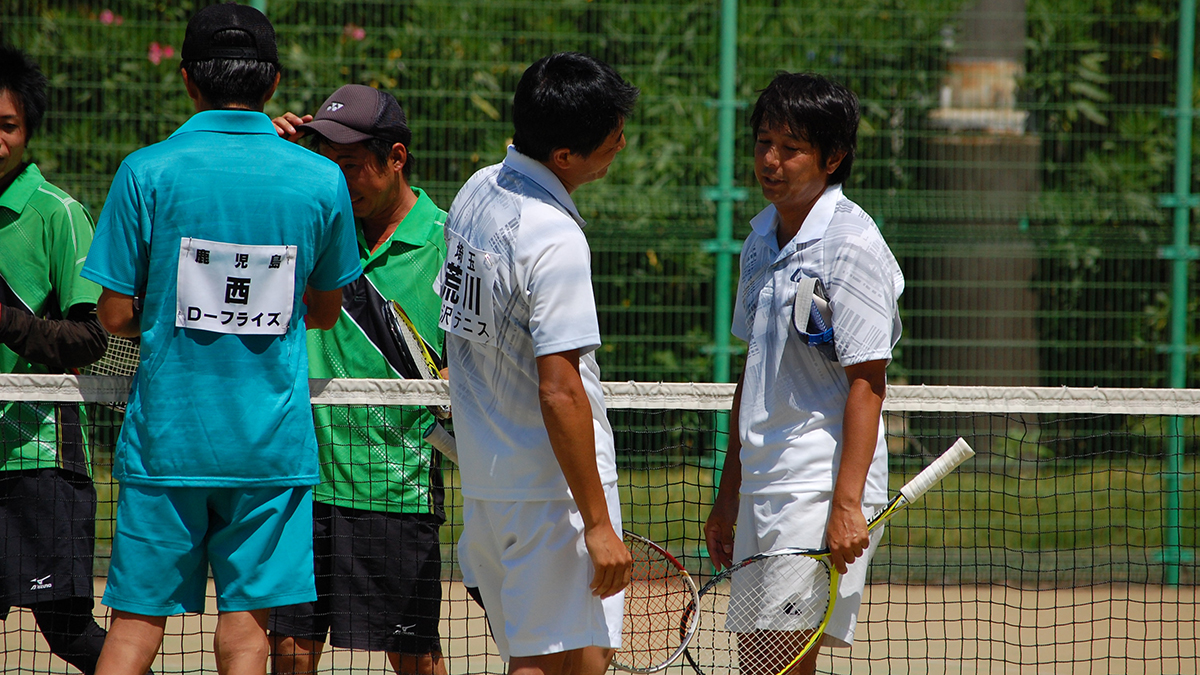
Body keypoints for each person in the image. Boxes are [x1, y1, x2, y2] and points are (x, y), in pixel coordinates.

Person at [79, 5, 361, 675]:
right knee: (246, 635)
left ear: (186, 81)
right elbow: (324, 311)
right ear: (275, 81)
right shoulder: (321, 179)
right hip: (270, 449)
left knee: (132, 630)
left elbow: (114, 316)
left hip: (166, 441)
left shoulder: (145, 172)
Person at [437, 52, 638, 675]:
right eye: (612, 139)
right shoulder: (554, 238)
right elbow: (560, 391)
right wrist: (599, 526)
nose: (622, 145)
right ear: (564, 158)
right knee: (542, 664)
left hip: (492, 487)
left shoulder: (475, 192)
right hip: (553, 497)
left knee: (584, 658)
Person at [702, 72, 904, 675]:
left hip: (817, 486)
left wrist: (846, 504)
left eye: (790, 148)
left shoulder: (852, 244)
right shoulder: (760, 239)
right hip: (765, 479)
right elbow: (754, 375)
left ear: (832, 157)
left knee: (779, 664)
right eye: (764, 142)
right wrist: (728, 493)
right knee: (761, 661)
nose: (770, 160)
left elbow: (868, 384)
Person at [266, 85, 449, 675]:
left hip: (396, 490)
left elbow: (479, 358)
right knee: (290, 651)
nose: (338, 181)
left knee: (412, 654)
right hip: (301, 482)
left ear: (396, 157)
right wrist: (265, 159)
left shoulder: (449, 242)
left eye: (351, 167)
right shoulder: (308, 221)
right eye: (327, 165)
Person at [0, 44, 113, 675]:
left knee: (70, 633)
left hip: (39, 458)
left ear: (27, 131)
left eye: (8, 124)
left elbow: (88, 338)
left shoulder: (58, 214)